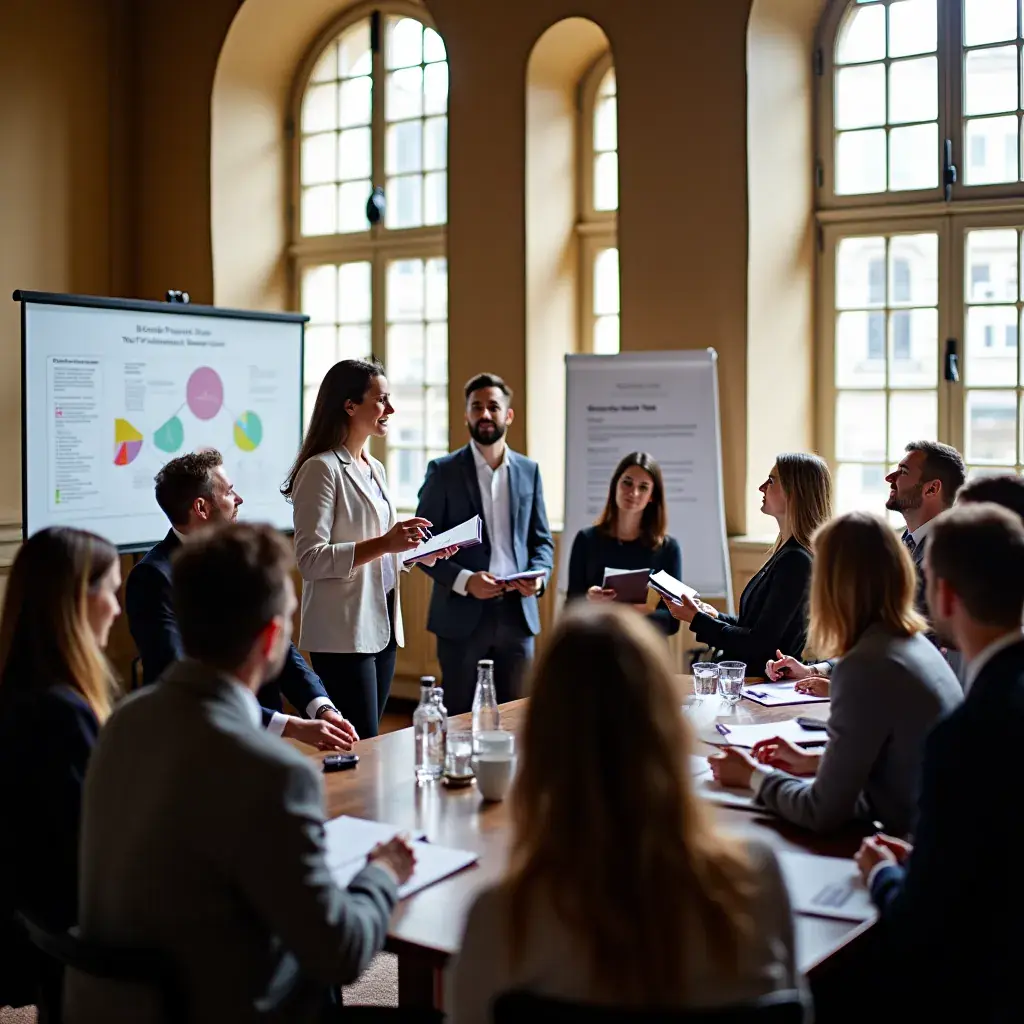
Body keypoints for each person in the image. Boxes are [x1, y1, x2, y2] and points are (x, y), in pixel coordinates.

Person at [67, 524, 417, 1024]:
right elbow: (339, 953)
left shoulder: (121, 723)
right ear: (272, 637)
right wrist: (383, 871)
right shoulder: (274, 773)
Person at [446, 604, 802, 1022]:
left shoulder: (500, 918)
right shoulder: (757, 881)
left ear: (539, 743)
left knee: (408, 987)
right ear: (671, 731)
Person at [853, 503, 1024, 1018]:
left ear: (945, 596)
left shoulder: (964, 735)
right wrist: (924, 858)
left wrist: (883, 873)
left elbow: (919, 923)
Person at [709, 512, 962, 836]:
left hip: (912, 849)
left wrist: (752, 776)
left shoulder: (865, 665)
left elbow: (820, 811)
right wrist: (815, 762)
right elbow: (894, 763)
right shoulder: (911, 642)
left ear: (834, 587)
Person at [126, 450, 357, 751]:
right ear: (201, 507)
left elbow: (277, 644)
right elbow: (175, 676)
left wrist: (321, 707)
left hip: (262, 738)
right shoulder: (152, 578)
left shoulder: (243, 560)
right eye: (229, 491)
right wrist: (289, 725)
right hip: (194, 743)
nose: (239, 499)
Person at [283, 358, 453, 739]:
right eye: (381, 400)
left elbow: (381, 553)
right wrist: (387, 542)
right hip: (343, 632)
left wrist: (416, 553)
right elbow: (310, 560)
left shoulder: (375, 467)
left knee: (369, 742)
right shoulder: (321, 469)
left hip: (384, 625)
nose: (390, 409)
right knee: (360, 742)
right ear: (349, 405)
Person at [0, 528, 121, 1013]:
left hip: (40, 926)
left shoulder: (20, 690)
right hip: (77, 939)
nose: (117, 609)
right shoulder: (60, 712)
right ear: (77, 600)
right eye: (111, 591)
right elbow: (93, 854)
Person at [767, 439, 966, 691]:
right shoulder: (900, 545)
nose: (889, 478)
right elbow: (876, 637)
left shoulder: (946, 557)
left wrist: (840, 687)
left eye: (903, 472)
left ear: (932, 489)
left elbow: (911, 652)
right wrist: (816, 670)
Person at [415, 373, 554, 714]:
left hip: (517, 615)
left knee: (516, 715)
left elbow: (542, 542)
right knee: (460, 717)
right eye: (477, 407)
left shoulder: (529, 471)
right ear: (466, 415)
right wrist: (465, 581)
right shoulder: (443, 471)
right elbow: (421, 546)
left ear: (509, 415)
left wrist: (538, 579)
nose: (485, 414)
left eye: (493, 407)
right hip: (461, 615)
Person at [664, 453, 832, 675]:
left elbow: (759, 644)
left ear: (795, 491)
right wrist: (714, 616)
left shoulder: (796, 560)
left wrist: (696, 619)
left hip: (762, 683)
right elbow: (753, 625)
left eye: (771, 481)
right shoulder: (786, 552)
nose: (762, 487)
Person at [566, 452, 683, 636]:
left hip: (644, 646)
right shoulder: (586, 540)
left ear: (652, 496)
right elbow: (571, 607)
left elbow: (673, 620)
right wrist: (589, 600)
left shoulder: (667, 549)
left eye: (643, 487)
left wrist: (637, 613)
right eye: (627, 483)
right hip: (595, 643)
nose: (633, 493)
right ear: (615, 485)